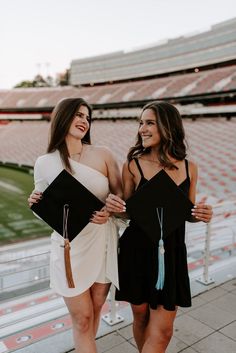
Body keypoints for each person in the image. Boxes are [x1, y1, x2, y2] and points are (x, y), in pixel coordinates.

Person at [105, 101, 213, 353]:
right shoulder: (133, 164)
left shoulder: (190, 168)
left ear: (168, 126)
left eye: (149, 122)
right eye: (141, 123)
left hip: (171, 254)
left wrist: (202, 215)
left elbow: (188, 213)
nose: (142, 128)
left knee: (163, 331)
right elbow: (127, 212)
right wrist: (114, 206)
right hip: (136, 252)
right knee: (141, 319)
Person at [28, 98, 123, 353]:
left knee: (94, 311)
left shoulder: (103, 154)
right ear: (63, 117)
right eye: (78, 115)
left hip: (102, 243)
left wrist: (112, 209)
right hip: (69, 248)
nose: (84, 121)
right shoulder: (44, 162)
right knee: (81, 319)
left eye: (87, 117)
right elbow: (44, 211)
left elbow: (124, 201)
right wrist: (35, 202)